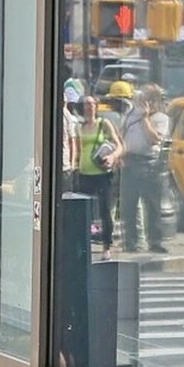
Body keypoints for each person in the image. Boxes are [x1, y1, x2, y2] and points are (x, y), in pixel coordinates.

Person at [118, 84, 170, 254]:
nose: (146, 103)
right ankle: (131, 242)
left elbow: (154, 139)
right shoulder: (131, 114)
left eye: (149, 100)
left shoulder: (160, 118)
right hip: (130, 162)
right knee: (129, 205)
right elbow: (122, 134)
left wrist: (145, 118)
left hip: (149, 164)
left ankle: (155, 241)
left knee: (152, 205)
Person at [75, 96, 122, 261]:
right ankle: (83, 245)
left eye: (92, 104)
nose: (89, 107)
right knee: (83, 212)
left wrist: (112, 157)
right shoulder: (79, 127)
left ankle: (106, 246)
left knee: (104, 210)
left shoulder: (103, 124)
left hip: (102, 173)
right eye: (86, 104)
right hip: (84, 172)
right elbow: (78, 148)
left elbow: (119, 145)